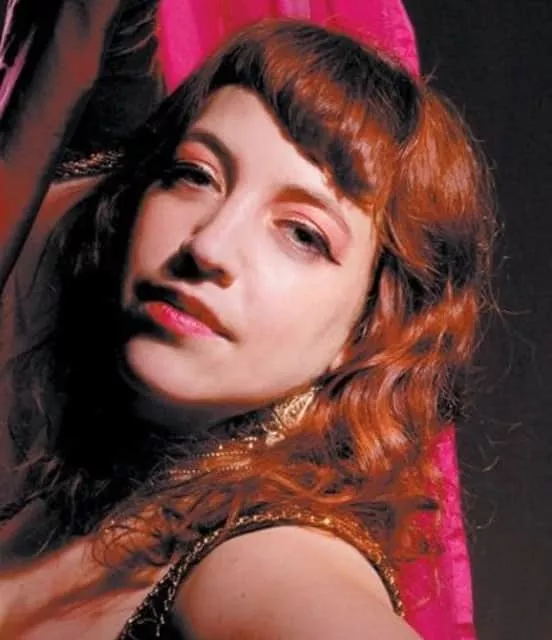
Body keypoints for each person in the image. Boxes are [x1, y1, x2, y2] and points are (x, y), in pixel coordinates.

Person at [0, 5, 494, 639]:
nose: (208, 246)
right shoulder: (66, 500)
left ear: (369, 328)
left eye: (302, 234)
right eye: (195, 176)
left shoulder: (271, 561)